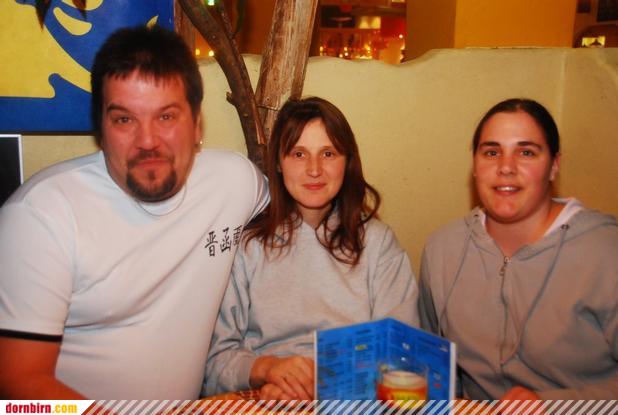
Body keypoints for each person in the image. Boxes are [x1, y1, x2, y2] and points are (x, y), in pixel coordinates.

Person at [0, 25, 269, 399]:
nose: (147, 141)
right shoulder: (40, 216)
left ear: (196, 125)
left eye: (166, 117)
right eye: (124, 119)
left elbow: (300, 228)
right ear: (101, 128)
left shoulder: (234, 182)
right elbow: (17, 386)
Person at [203, 97, 419, 400]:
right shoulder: (247, 248)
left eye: (328, 153)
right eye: (299, 154)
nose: (314, 169)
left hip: (355, 398)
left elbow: (403, 357)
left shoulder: (379, 244)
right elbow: (214, 366)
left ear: (347, 161)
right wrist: (267, 369)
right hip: (265, 398)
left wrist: (323, 384)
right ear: (278, 163)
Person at [419, 98, 618, 400]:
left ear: (554, 165)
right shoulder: (442, 250)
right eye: (492, 152)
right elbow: (432, 366)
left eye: (526, 152)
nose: (506, 168)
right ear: (475, 164)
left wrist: (551, 406)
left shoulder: (606, 251)